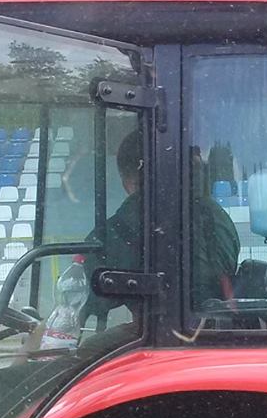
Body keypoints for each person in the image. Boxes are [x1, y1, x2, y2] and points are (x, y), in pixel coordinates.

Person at [91, 128, 239, 313]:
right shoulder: (219, 217)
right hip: (219, 325)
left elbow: (94, 299)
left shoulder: (116, 229)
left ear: (127, 183)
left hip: (164, 326)